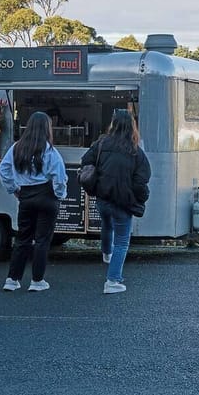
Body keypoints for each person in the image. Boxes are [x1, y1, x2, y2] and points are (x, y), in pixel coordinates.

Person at [79, 109, 151, 294]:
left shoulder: (101, 143)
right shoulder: (136, 152)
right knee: (122, 242)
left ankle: (106, 254)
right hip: (123, 203)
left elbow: (86, 160)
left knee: (106, 224)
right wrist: (141, 198)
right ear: (132, 127)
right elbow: (141, 181)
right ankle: (112, 280)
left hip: (103, 198)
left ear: (113, 124)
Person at [0, 111, 68, 292]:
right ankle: (37, 281)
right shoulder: (51, 151)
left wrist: (14, 189)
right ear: (47, 129)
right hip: (46, 196)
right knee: (42, 240)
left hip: (26, 197)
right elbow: (59, 178)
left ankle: (12, 280)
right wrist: (60, 194)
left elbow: (3, 170)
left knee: (23, 238)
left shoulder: (16, 148)